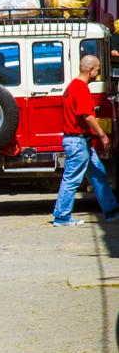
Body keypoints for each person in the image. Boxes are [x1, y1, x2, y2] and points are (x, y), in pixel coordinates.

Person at [52, 55, 119, 227]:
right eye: (97, 69)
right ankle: (61, 216)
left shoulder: (72, 87)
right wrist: (103, 136)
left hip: (80, 141)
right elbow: (88, 116)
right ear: (90, 70)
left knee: (98, 174)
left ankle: (111, 210)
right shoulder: (81, 89)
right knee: (72, 179)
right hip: (78, 141)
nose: (98, 73)